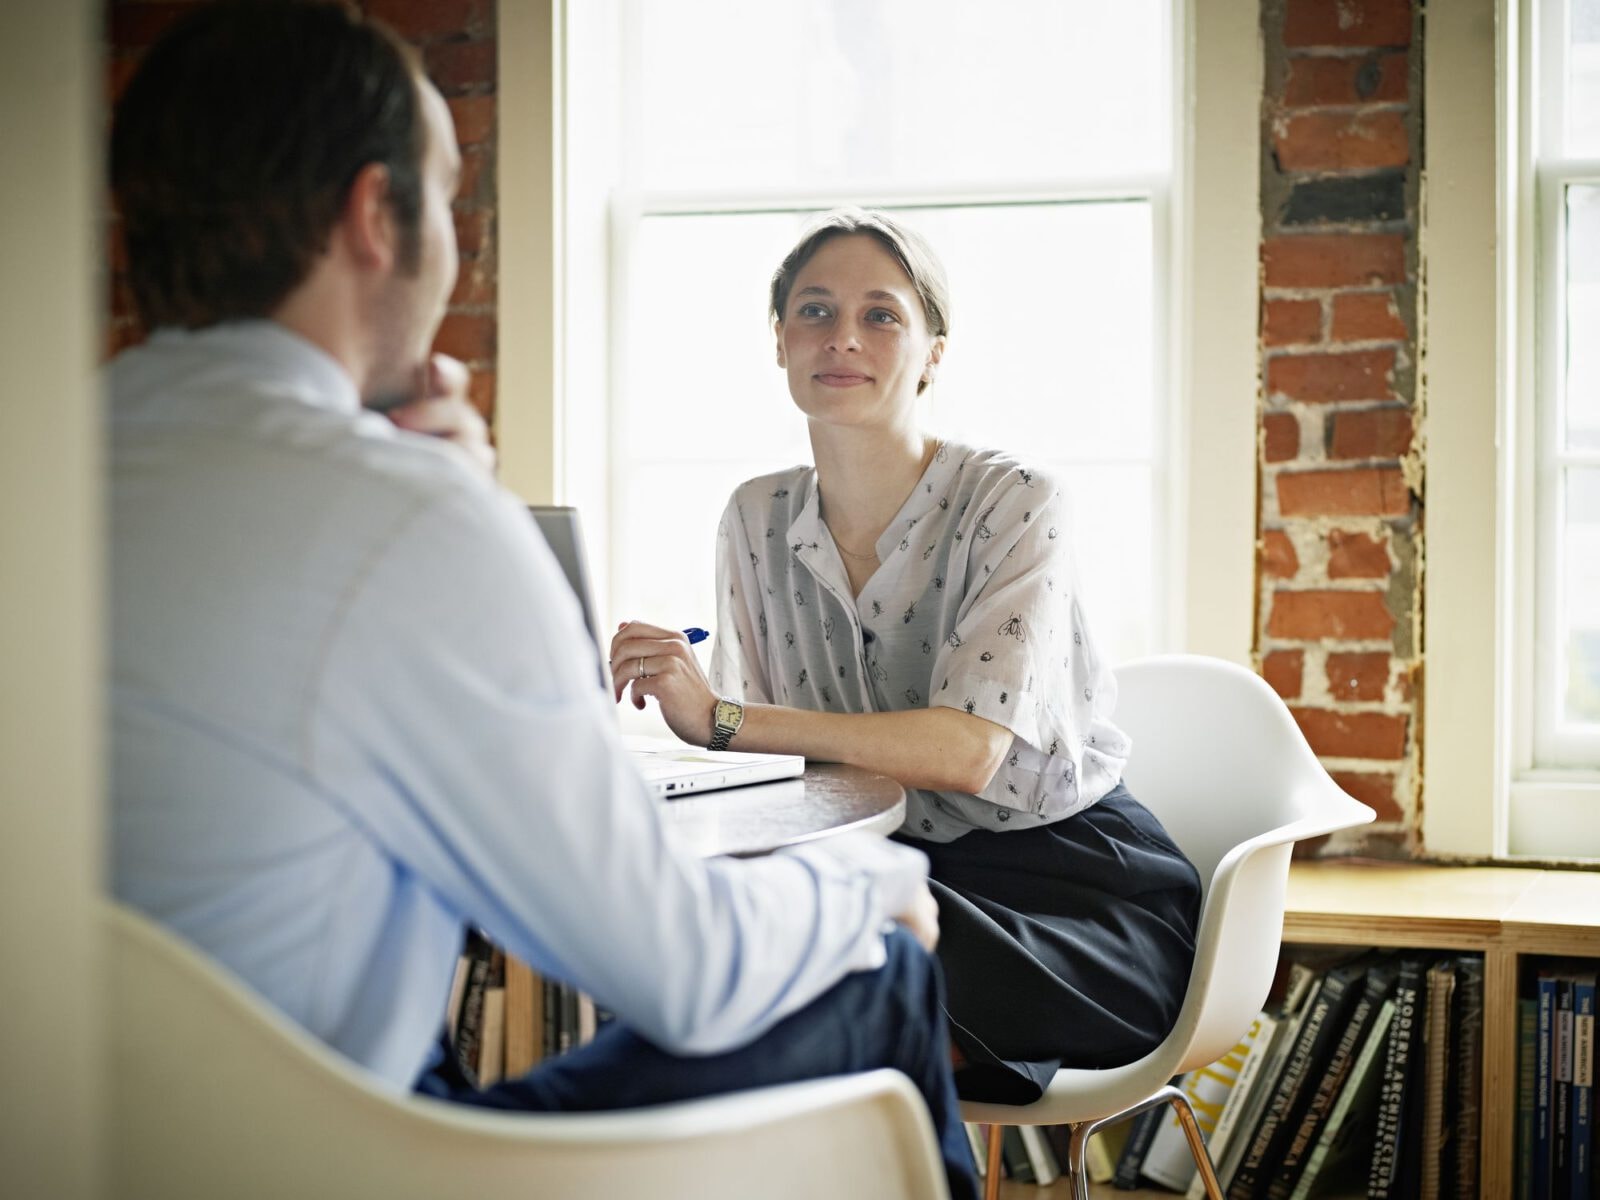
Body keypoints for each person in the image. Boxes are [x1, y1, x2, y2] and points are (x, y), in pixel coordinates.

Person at [106, 7, 975, 1195]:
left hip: (106, 1139)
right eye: (447, 200)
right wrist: (874, 881)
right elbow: (679, 966)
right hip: (348, 1158)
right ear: (374, 218)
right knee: (883, 966)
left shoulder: (53, 469)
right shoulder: (404, 520)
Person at [611, 208, 1203, 1104]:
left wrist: (720, 720)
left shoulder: (1016, 500)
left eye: (881, 314)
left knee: (827, 988)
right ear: (778, 341)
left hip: (1073, 895)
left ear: (933, 351)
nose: (842, 336)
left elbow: (969, 753)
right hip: (885, 868)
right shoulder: (753, 517)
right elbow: (792, 773)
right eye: (813, 311)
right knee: (730, 951)